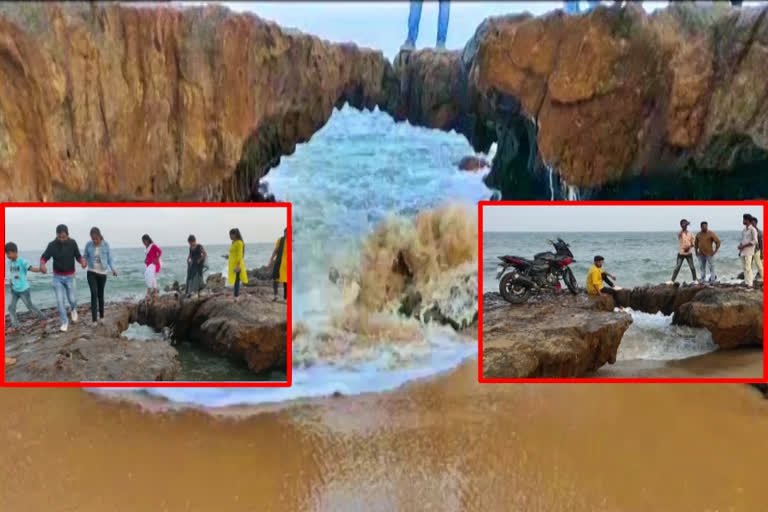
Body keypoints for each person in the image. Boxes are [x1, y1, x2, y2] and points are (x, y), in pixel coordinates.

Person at [40, 224, 86, 332]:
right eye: (60, 237)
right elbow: (44, 257)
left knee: (72, 299)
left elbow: (78, 256)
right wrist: (42, 265)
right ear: (56, 235)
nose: (62, 239)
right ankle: (64, 322)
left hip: (70, 277)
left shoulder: (72, 243)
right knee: (60, 301)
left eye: (64, 237)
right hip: (57, 278)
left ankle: (73, 309)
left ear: (68, 235)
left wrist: (82, 262)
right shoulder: (51, 245)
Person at [5, 242, 46, 333]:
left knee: (30, 306)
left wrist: (40, 269)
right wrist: (11, 282)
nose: (7, 256)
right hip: (14, 290)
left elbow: (31, 268)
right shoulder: (9, 263)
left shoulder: (22, 261)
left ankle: (42, 318)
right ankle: (15, 326)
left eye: (9, 253)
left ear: (15, 252)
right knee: (11, 307)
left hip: (24, 290)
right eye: (6, 254)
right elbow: (12, 274)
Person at [83, 227, 118, 325]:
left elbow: (110, 259)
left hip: (102, 273)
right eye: (92, 239)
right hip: (91, 272)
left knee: (100, 295)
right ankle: (94, 320)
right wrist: (84, 262)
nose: (94, 241)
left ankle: (102, 317)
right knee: (94, 294)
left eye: (96, 239)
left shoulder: (105, 245)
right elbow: (85, 256)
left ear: (99, 236)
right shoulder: (88, 245)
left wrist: (113, 269)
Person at [670, 219, 697, 283]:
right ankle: (672, 280)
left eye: (685, 224)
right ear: (681, 225)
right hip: (681, 253)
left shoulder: (690, 234)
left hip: (688, 253)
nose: (684, 225)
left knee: (692, 267)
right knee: (677, 267)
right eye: (683, 224)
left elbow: (694, 243)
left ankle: (695, 280)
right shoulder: (680, 233)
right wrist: (684, 226)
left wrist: (689, 247)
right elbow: (679, 234)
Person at [268, 228, 289, 302]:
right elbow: (275, 250)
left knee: (286, 281)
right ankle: (275, 295)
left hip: (287, 264)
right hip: (279, 262)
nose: (287, 234)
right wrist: (271, 259)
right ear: (284, 232)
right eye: (286, 232)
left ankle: (286, 298)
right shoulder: (280, 240)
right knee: (275, 279)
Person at [739, 214, 759, 288]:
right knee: (744, 267)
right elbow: (743, 240)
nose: (743, 221)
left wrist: (744, 246)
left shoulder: (753, 229)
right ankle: (746, 282)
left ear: (748, 220)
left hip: (749, 251)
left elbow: (755, 241)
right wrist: (740, 245)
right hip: (743, 251)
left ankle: (750, 284)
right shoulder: (744, 230)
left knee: (748, 268)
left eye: (744, 219)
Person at [228, 228, 247, 302]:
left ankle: (236, 297)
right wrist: (228, 257)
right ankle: (236, 296)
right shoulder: (233, 242)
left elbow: (240, 254)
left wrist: (238, 265)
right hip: (233, 264)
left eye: (231, 235)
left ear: (235, 234)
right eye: (229, 235)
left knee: (236, 280)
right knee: (235, 280)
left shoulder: (239, 242)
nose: (230, 236)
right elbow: (233, 253)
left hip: (237, 264)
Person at [141, 234, 162, 300]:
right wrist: (145, 259)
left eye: (144, 241)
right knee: (152, 278)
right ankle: (155, 292)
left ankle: (148, 293)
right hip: (148, 264)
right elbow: (149, 255)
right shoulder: (147, 247)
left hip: (153, 264)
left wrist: (157, 259)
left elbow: (160, 251)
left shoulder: (153, 246)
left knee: (149, 277)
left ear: (147, 240)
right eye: (143, 242)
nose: (143, 243)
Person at [750, 217, 763, 281]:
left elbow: (761, 243)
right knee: (749, 266)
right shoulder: (749, 231)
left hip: (756, 251)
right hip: (749, 251)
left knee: (759, 266)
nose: (752, 224)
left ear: (756, 223)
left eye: (753, 223)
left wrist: (762, 253)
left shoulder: (759, 232)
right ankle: (750, 280)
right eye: (751, 223)